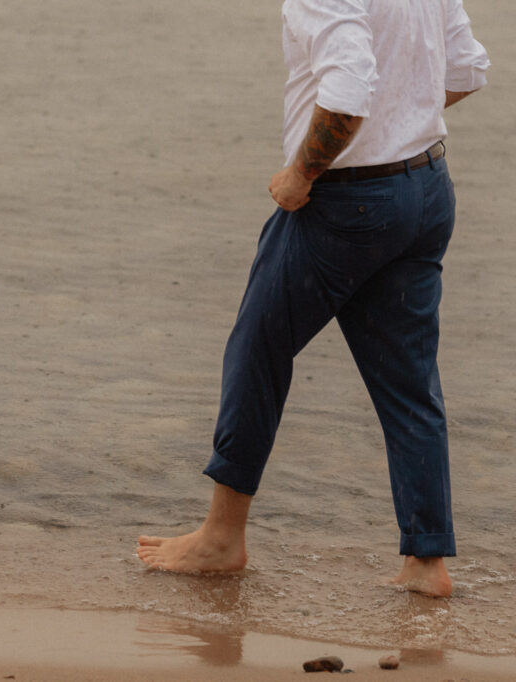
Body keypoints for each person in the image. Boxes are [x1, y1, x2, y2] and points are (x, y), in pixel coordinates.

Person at [137, 0, 489, 598]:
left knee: (257, 350)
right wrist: (397, 127)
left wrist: (302, 173)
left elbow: (348, 92)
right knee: (409, 384)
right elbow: (465, 71)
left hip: (348, 202)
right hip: (427, 188)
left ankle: (222, 539)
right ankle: (426, 564)